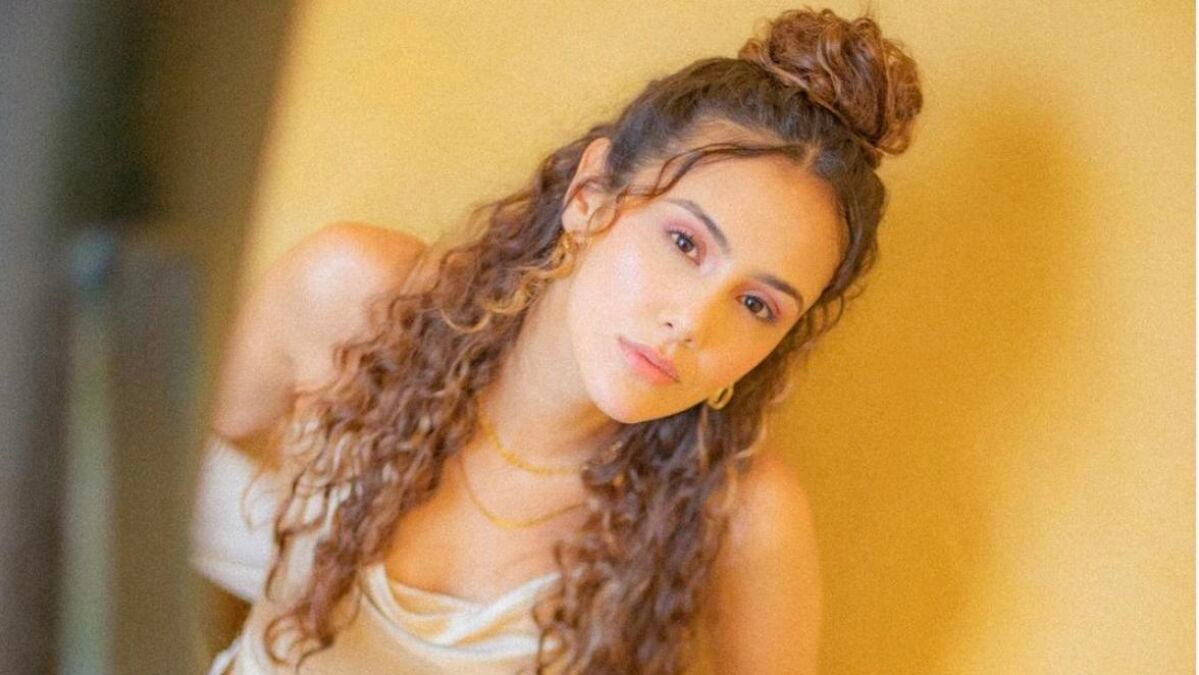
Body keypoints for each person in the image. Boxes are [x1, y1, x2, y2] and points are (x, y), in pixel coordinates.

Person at [192, 6, 923, 674]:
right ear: (590, 194)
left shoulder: (739, 514)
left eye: (757, 304)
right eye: (683, 242)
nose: (693, 322)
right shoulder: (353, 296)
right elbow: (149, 479)